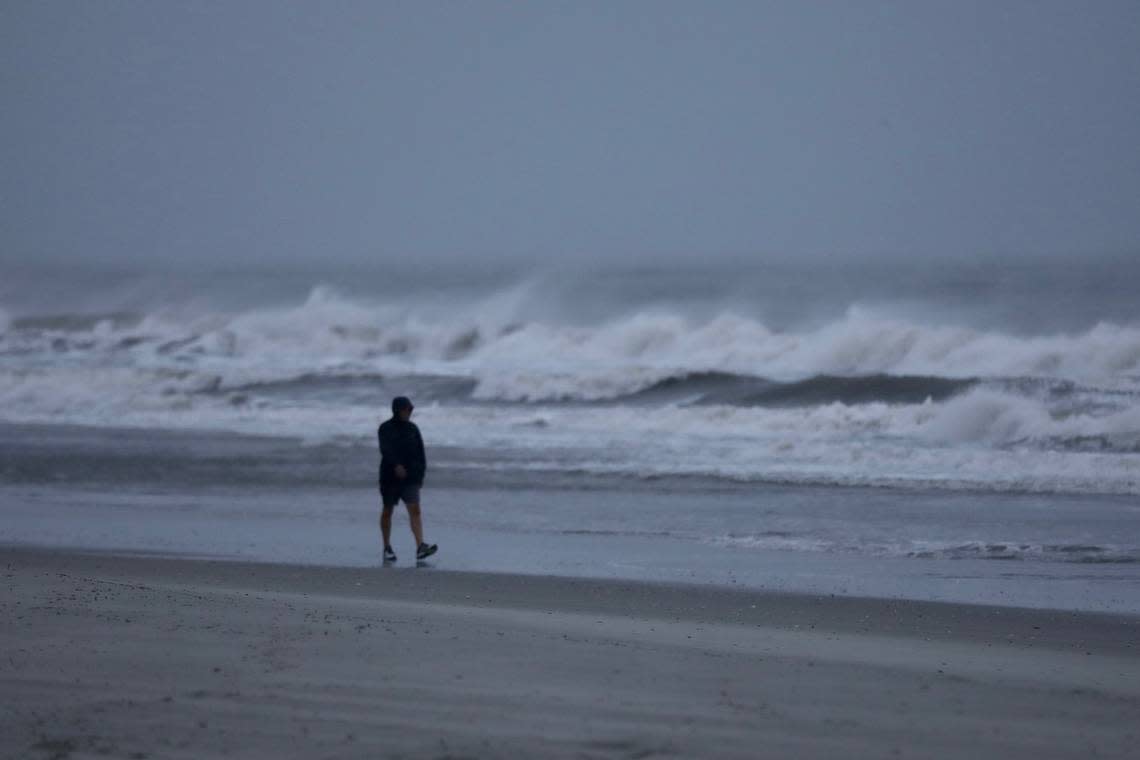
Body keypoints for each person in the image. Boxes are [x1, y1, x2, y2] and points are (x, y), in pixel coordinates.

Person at [377, 396, 437, 562]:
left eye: (411, 409)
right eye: (406, 409)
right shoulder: (385, 428)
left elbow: (420, 453)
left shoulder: (413, 428)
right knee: (388, 511)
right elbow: (385, 450)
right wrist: (396, 465)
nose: (409, 412)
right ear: (397, 410)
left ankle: (420, 547)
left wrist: (420, 475)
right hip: (389, 477)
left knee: (415, 510)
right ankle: (387, 547)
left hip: (410, 478)